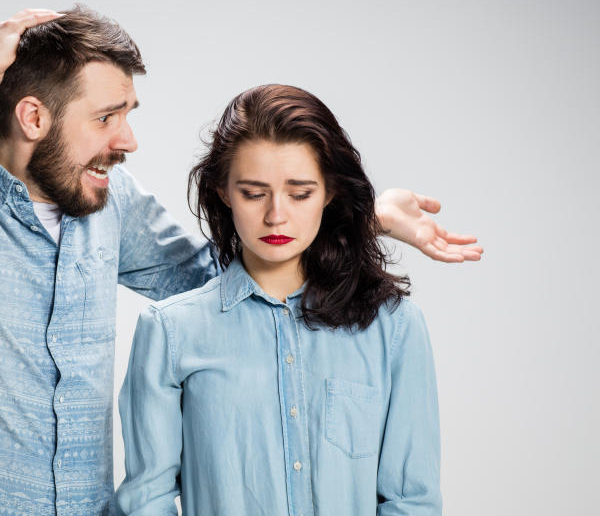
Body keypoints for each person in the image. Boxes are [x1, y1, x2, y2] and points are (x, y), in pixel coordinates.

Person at [0, 8, 478, 516]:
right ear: (32, 118)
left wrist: (360, 216)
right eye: (108, 117)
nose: (130, 140)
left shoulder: (108, 209)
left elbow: (237, 279)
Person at [115, 84, 445, 516]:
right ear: (222, 191)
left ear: (329, 192)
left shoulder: (394, 327)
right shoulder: (171, 331)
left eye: (300, 193)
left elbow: (412, 502)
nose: (275, 215)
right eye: (254, 193)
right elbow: (146, 503)